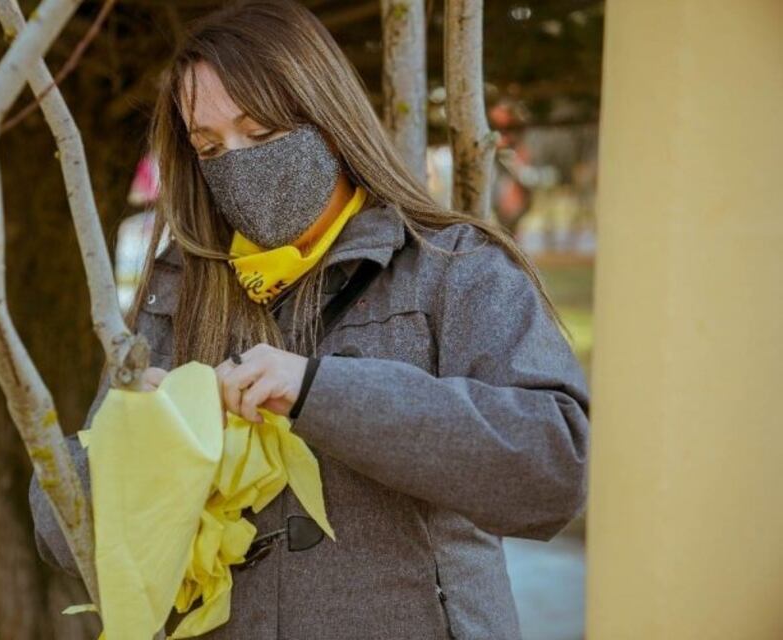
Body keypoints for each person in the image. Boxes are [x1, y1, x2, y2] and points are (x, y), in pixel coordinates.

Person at [29, 1, 590, 638]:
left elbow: (553, 473)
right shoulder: (179, 286)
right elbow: (62, 532)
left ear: (326, 118)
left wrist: (319, 390)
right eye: (209, 146)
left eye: (261, 133)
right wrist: (138, 442)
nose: (236, 163)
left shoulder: (452, 266)